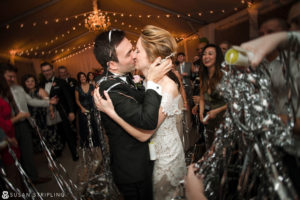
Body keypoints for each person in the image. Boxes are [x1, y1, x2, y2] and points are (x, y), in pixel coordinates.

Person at [94, 25, 186, 200]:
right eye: (130, 52)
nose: (134, 55)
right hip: (137, 166)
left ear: (153, 56)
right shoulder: (116, 87)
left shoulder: (163, 85)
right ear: (112, 64)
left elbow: (145, 134)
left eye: (136, 51)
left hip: (164, 157)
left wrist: (111, 113)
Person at [1, 63, 55, 184]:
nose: (12, 79)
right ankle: (20, 183)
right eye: (9, 76)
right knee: (13, 157)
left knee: (28, 153)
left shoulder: (18, 88)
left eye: (14, 76)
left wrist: (48, 102)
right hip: (8, 127)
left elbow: (31, 101)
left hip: (23, 124)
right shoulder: (2, 91)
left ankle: (33, 177)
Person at [40, 62, 79, 161]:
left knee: (68, 133)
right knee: (55, 134)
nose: (47, 72)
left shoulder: (61, 82)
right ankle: (58, 152)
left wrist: (71, 112)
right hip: (49, 114)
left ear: (52, 70)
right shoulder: (41, 84)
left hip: (62, 112)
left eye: (48, 70)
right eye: (44, 71)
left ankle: (74, 154)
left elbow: (69, 98)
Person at [192, 44, 227, 150]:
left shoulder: (224, 75)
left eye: (210, 54)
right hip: (211, 119)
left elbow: (235, 101)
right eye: (204, 54)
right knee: (211, 149)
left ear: (217, 57)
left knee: (222, 152)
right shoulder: (204, 75)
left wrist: (217, 111)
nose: (206, 56)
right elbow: (202, 95)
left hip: (226, 120)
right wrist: (201, 112)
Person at [21, 74, 63, 155]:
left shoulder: (40, 91)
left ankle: (55, 153)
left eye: (32, 81)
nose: (30, 83)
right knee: (40, 137)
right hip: (33, 118)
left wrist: (51, 112)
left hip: (44, 116)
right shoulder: (25, 93)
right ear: (24, 83)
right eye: (27, 81)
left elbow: (49, 103)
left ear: (35, 82)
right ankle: (48, 153)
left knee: (50, 135)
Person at [75, 72, 99, 147]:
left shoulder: (92, 85)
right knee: (84, 127)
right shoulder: (77, 88)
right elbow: (77, 100)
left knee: (94, 125)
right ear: (79, 79)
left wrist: (94, 93)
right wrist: (81, 108)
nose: (83, 78)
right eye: (81, 77)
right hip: (83, 109)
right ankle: (86, 143)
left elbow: (97, 95)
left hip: (92, 108)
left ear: (86, 77)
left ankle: (96, 142)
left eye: (84, 76)